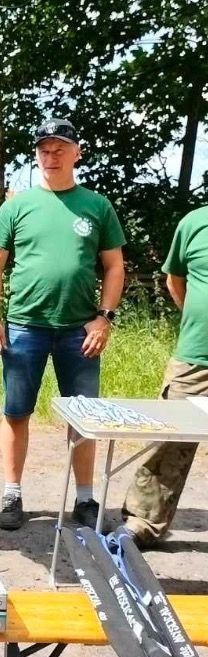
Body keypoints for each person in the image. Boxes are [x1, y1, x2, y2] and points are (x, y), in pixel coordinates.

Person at [0, 118, 125, 532]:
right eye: (44, 148)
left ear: (77, 152)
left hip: (80, 328)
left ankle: (84, 498)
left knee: (84, 415)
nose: (52, 155)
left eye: (60, 147)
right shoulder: (17, 205)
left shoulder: (96, 206)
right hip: (25, 326)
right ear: (37, 155)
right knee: (16, 410)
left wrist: (105, 317)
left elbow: (114, 266)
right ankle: (12, 494)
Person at [119, 206, 208, 547]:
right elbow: (175, 280)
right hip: (195, 357)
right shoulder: (194, 223)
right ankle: (143, 522)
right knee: (166, 440)